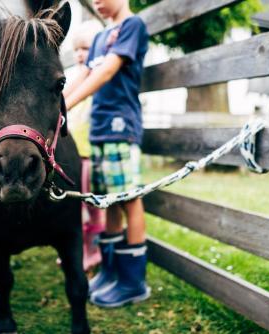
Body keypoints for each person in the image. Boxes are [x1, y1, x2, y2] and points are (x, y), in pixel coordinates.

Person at [63, 0, 150, 308]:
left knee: (129, 198)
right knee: (109, 201)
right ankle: (112, 272)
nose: (97, 1)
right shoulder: (100, 36)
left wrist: (67, 107)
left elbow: (108, 70)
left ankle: (133, 280)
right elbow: (84, 75)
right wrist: (56, 103)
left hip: (120, 126)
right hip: (99, 129)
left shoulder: (131, 27)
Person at [66, 20, 105, 272]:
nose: (81, 54)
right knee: (76, 205)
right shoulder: (75, 76)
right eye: (77, 49)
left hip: (90, 153)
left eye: (86, 49)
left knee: (92, 206)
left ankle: (93, 250)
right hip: (74, 153)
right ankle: (81, 249)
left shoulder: (98, 78)